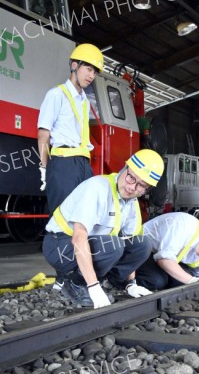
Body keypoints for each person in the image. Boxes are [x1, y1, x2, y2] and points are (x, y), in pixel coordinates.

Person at [42, 149, 164, 309]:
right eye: (131, 177)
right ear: (125, 168)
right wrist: (93, 288)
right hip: (60, 245)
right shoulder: (97, 188)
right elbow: (79, 237)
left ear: (147, 189)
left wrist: (131, 284)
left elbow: (131, 241)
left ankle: (106, 282)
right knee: (114, 246)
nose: (132, 187)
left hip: (90, 246)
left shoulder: (131, 202)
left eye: (141, 185)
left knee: (142, 244)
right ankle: (75, 282)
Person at [37, 43, 104, 215]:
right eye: (88, 69)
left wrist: (85, 168)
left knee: (83, 217)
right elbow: (43, 134)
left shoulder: (85, 102)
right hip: (63, 162)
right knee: (62, 218)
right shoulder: (56, 95)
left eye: (95, 72)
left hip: (83, 163)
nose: (91, 76)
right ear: (75, 65)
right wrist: (44, 168)